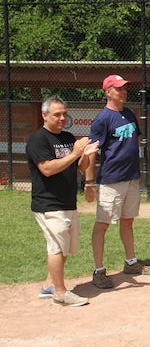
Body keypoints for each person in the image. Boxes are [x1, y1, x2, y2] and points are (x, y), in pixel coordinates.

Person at [84, 74, 150, 290]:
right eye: (118, 89)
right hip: (111, 179)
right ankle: (98, 271)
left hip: (131, 177)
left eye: (124, 88)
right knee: (103, 223)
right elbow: (90, 152)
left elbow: (133, 142)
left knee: (128, 220)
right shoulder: (102, 119)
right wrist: (89, 184)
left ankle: (131, 263)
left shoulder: (129, 114)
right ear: (108, 92)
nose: (123, 92)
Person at [26, 97, 99, 306]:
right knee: (56, 248)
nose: (62, 118)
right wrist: (75, 152)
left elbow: (80, 166)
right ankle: (59, 292)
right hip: (48, 203)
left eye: (64, 114)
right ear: (44, 115)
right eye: (57, 114)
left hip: (67, 201)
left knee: (63, 249)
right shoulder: (38, 139)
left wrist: (85, 155)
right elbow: (47, 169)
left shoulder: (67, 137)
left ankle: (49, 285)